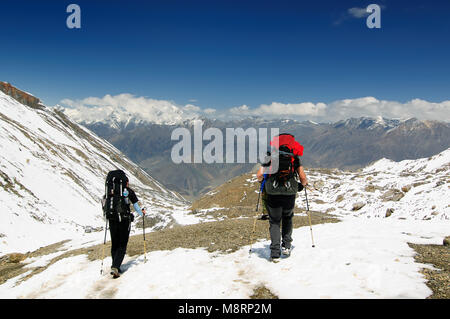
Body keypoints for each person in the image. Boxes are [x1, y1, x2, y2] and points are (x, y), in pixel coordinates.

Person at [257, 135, 308, 262]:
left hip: (273, 193)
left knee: (274, 221)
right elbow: (302, 177)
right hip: (289, 193)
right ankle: (286, 246)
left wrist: (263, 181)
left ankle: (275, 253)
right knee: (287, 218)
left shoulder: (270, 156)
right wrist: (303, 184)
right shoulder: (294, 157)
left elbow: (259, 175)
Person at [106, 175, 146, 278]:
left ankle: (115, 265)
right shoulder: (128, 191)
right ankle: (115, 266)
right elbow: (136, 206)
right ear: (126, 182)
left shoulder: (110, 191)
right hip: (124, 219)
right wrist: (142, 213)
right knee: (122, 244)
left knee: (115, 243)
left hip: (112, 218)